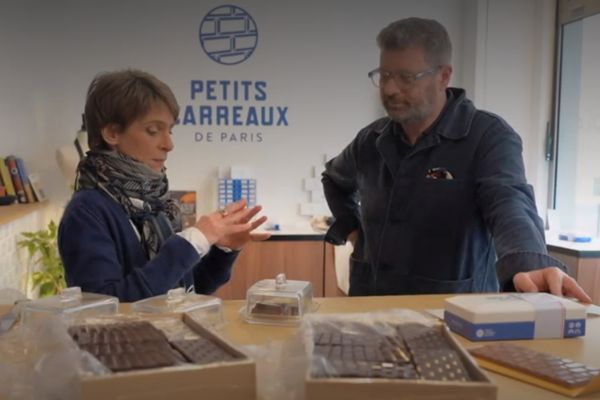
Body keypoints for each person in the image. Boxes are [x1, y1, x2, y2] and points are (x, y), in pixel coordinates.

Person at [322, 17, 591, 301]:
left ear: (444, 76)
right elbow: (334, 179)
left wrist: (530, 264)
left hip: (454, 318)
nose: (389, 89)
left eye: (405, 77)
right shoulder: (370, 140)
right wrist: (352, 229)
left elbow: (509, 201)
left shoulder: (486, 136)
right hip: (371, 308)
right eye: (385, 75)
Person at [58, 69, 270, 302]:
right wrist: (194, 240)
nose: (169, 144)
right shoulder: (87, 211)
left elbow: (186, 289)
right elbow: (105, 308)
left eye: (169, 131)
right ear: (112, 133)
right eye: (153, 131)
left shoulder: (155, 203)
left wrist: (225, 250)